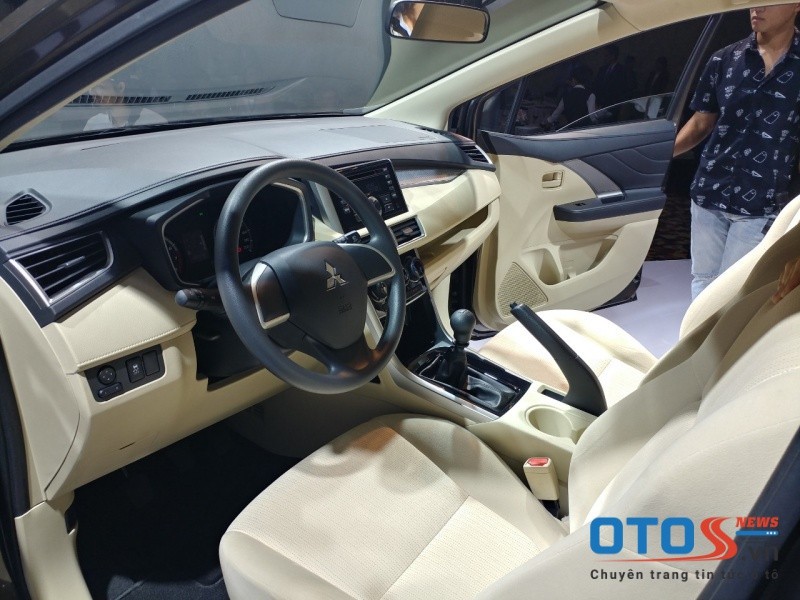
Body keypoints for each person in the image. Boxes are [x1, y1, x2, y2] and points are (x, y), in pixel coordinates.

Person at [673, 4, 800, 299]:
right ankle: (697, 332)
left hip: (763, 202)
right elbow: (702, 122)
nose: (757, 6)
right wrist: (658, 158)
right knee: (703, 280)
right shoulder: (724, 59)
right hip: (709, 192)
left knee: (735, 293)